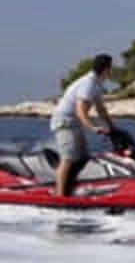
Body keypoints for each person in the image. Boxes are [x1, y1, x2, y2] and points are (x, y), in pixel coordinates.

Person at [50, 53, 116, 196]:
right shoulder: (88, 84)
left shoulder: (97, 84)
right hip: (65, 121)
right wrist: (93, 128)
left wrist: (113, 127)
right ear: (106, 69)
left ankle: (72, 189)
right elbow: (80, 111)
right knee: (68, 159)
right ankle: (60, 196)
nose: (112, 71)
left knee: (82, 158)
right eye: (111, 68)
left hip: (74, 123)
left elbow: (100, 109)